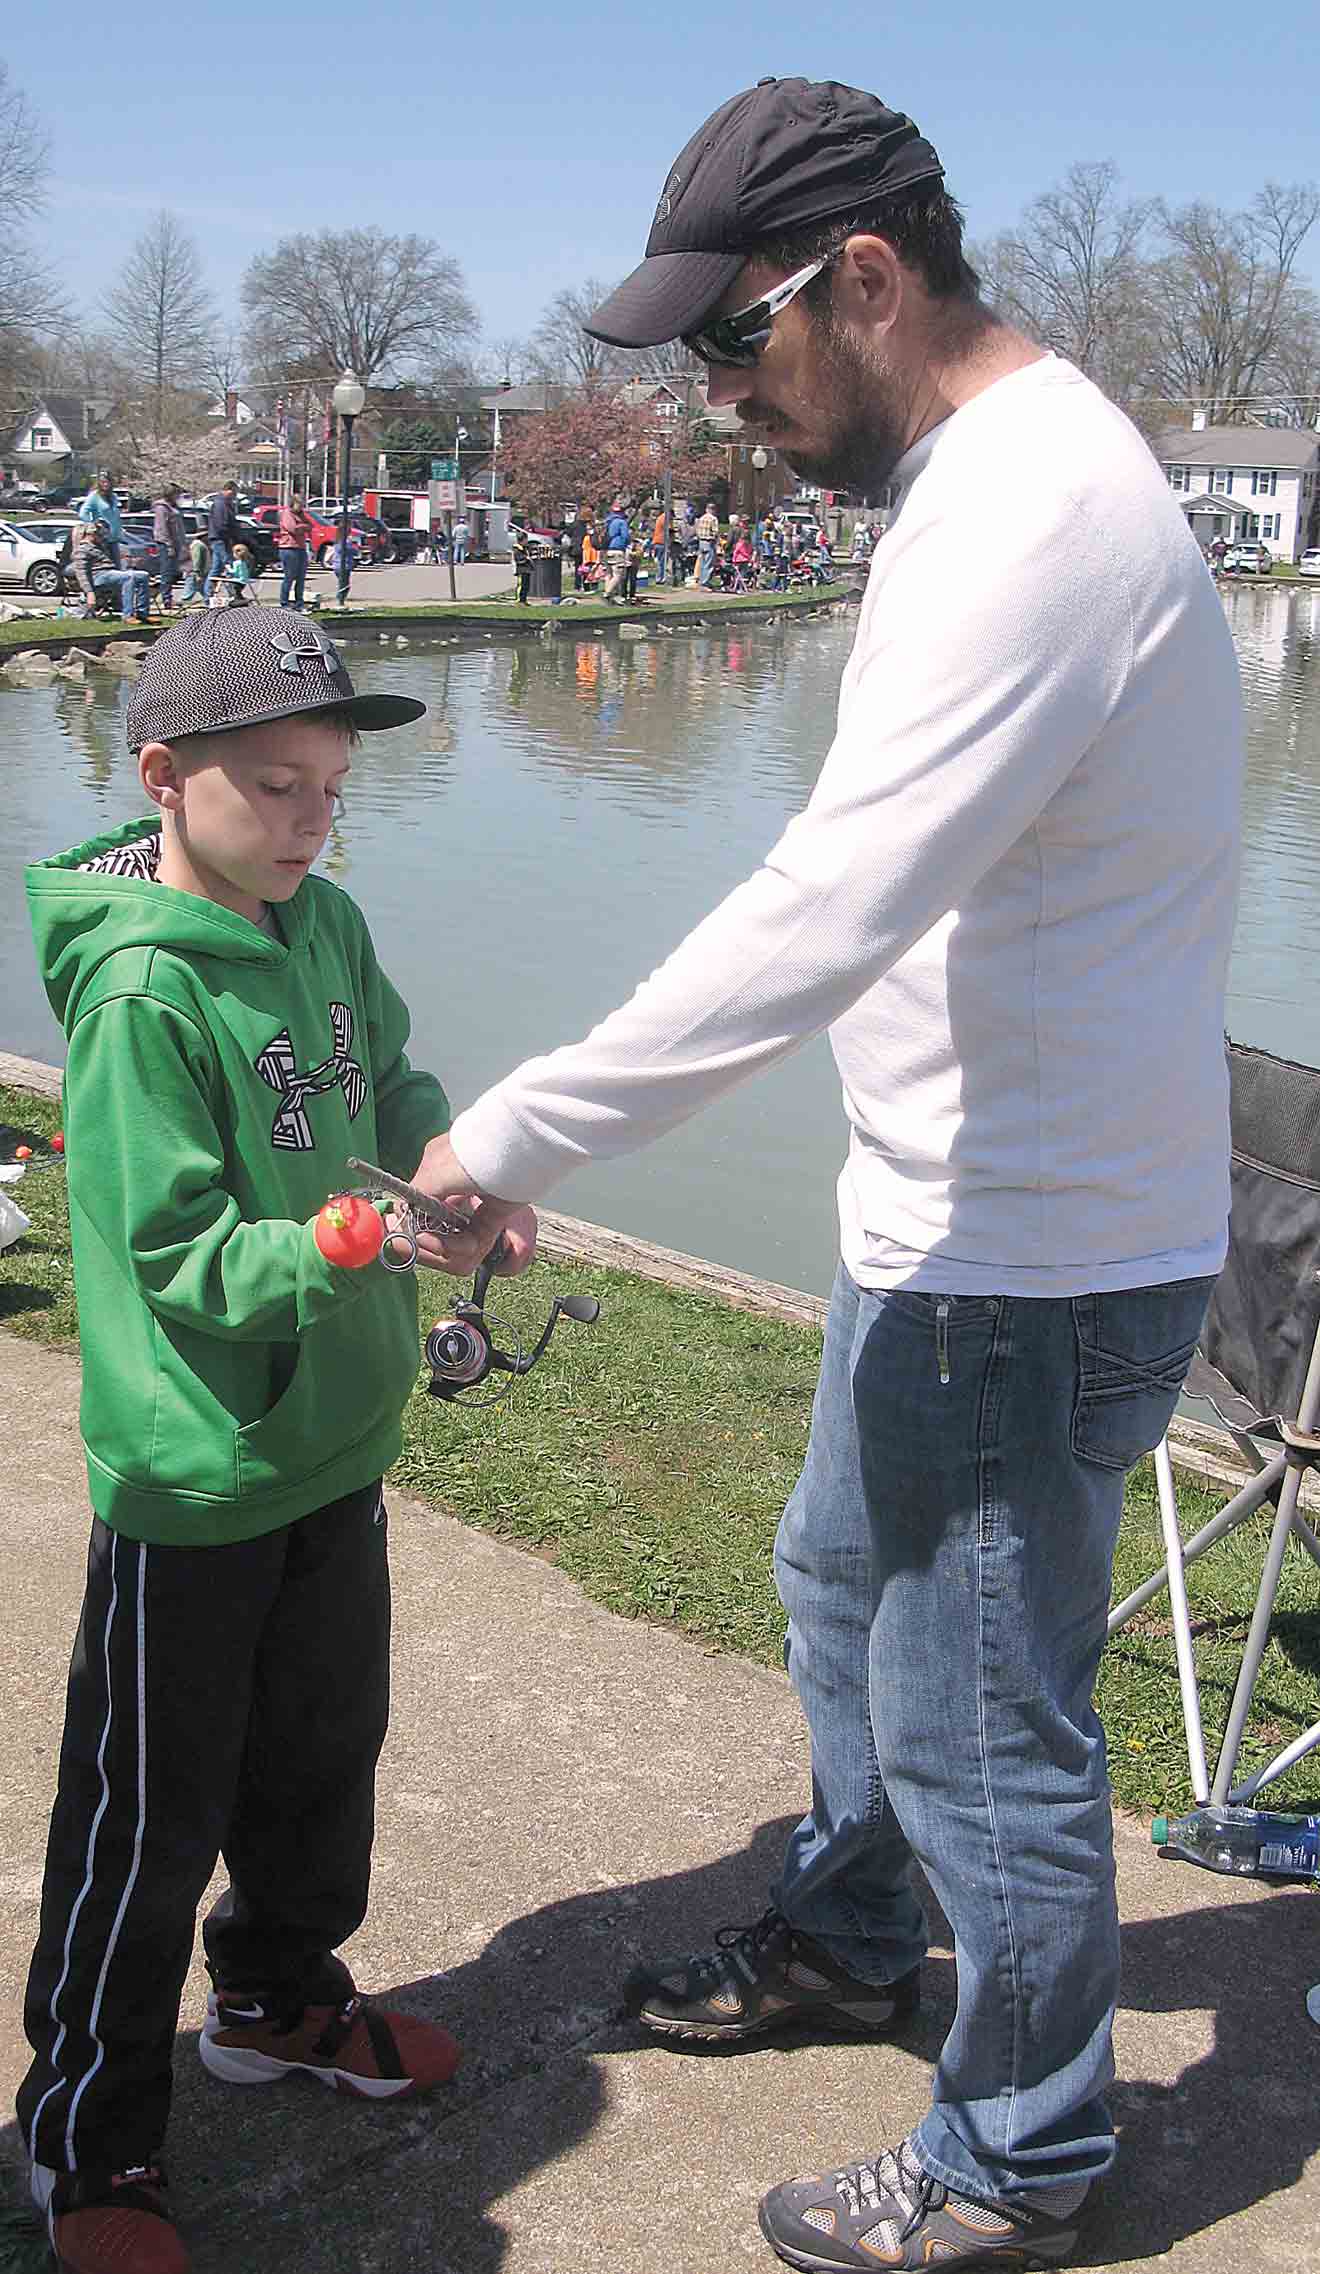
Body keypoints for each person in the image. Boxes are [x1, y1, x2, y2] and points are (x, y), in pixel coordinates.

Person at [404, 74, 1243, 2274]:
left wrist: (514, 1132)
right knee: (843, 1602)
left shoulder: (1034, 514)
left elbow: (827, 904)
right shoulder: (977, 486)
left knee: (988, 1730)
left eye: (735, 344)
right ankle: (860, 1941)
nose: (714, 404)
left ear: (866, 281)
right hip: (948, 1220)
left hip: (1024, 1252)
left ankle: (1025, 2157)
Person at [18, 602, 535, 2274]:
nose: (313, 817)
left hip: (332, 1444)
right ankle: (86, 2120)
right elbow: (176, 1259)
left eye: (330, 786)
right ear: (166, 778)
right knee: (143, 1814)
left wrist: (448, 1173)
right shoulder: (144, 993)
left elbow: (387, 1085)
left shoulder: (326, 922)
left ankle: (280, 1996)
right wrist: (360, 1241)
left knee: (321, 1753)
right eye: (274, 784)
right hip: (198, 1474)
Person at [61, 521, 150, 622]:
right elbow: (81, 573)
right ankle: (127, 615)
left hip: (108, 573)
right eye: (100, 535)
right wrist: (89, 592)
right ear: (91, 535)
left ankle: (142, 613)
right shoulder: (82, 550)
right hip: (98, 576)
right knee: (129, 577)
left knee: (143, 575)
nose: (103, 538)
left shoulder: (98, 547)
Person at [277, 490, 316, 608]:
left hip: (301, 547)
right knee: (289, 576)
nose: (301, 507)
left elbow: (311, 525)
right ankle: (284, 602)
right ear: (293, 503)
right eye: (299, 504)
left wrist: (303, 526)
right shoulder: (287, 513)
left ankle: (299, 602)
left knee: (301, 577)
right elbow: (292, 528)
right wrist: (303, 527)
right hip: (288, 548)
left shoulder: (302, 515)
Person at [204, 481, 240, 601]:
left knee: (216, 568)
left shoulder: (226, 503)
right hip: (219, 539)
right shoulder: (220, 504)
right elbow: (221, 524)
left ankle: (208, 596)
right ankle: (233, 594)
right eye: (234, 492)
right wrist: (231, 533)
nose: (235, 495)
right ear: (228, 490)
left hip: (222, 539)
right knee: (229, 566)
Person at [152, 485, 186, 610]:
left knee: (172, 573)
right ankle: (166, 600)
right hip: (166, 545)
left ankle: (169, 597)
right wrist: (168, 545)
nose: (178, 497)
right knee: (166, 573)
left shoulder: (172, 507)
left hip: (175, 544)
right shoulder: (162, 508)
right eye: (177, 494)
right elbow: (161, 529)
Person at [78, 471, 122, 564]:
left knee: (117, 566)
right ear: (99, 483)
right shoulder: (94, 496)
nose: (105, 484)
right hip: (101, 538)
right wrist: (93, 524)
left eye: (107, 482)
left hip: (114, 538)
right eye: (103, 482)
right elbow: (83, 513)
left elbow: (115, 516)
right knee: (105, 565)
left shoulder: (114, 496)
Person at [601, 498, 631, 601]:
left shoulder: (607, 522)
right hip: (617, 550)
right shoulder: (621, 522)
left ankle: (610, 596)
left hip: (605, 550)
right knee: (618, 574)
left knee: (608, 574)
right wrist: (626, 544)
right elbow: (626, 536)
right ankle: (607, 594)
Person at [180, 526, 209, 607]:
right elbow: (196, 559)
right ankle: (182, 603)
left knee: (203, 589)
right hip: (193, 572)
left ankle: (208, 601)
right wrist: (197, 572)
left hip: (200, 572)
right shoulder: (198, 545)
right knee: (190, 590)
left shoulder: (201, 545)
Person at [222, 540, 257, 605]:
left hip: (238, 581)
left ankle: (242, 601)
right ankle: (242, 600)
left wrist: (228, 567)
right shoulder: (245, 562)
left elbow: (234, 572)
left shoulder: (236, 563)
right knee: (238, 593)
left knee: (230, 586)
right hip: (244, 581)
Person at [695, 498, 720, 586]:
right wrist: (717, 541)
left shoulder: (701, 518)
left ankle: (701, 579)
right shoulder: (713, 519)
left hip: (701, 541)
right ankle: (705, 582)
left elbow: (697, 530)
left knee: (702, 562)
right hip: (709, 542)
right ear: (713, 510)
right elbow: (715, 532)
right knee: (709, 563)